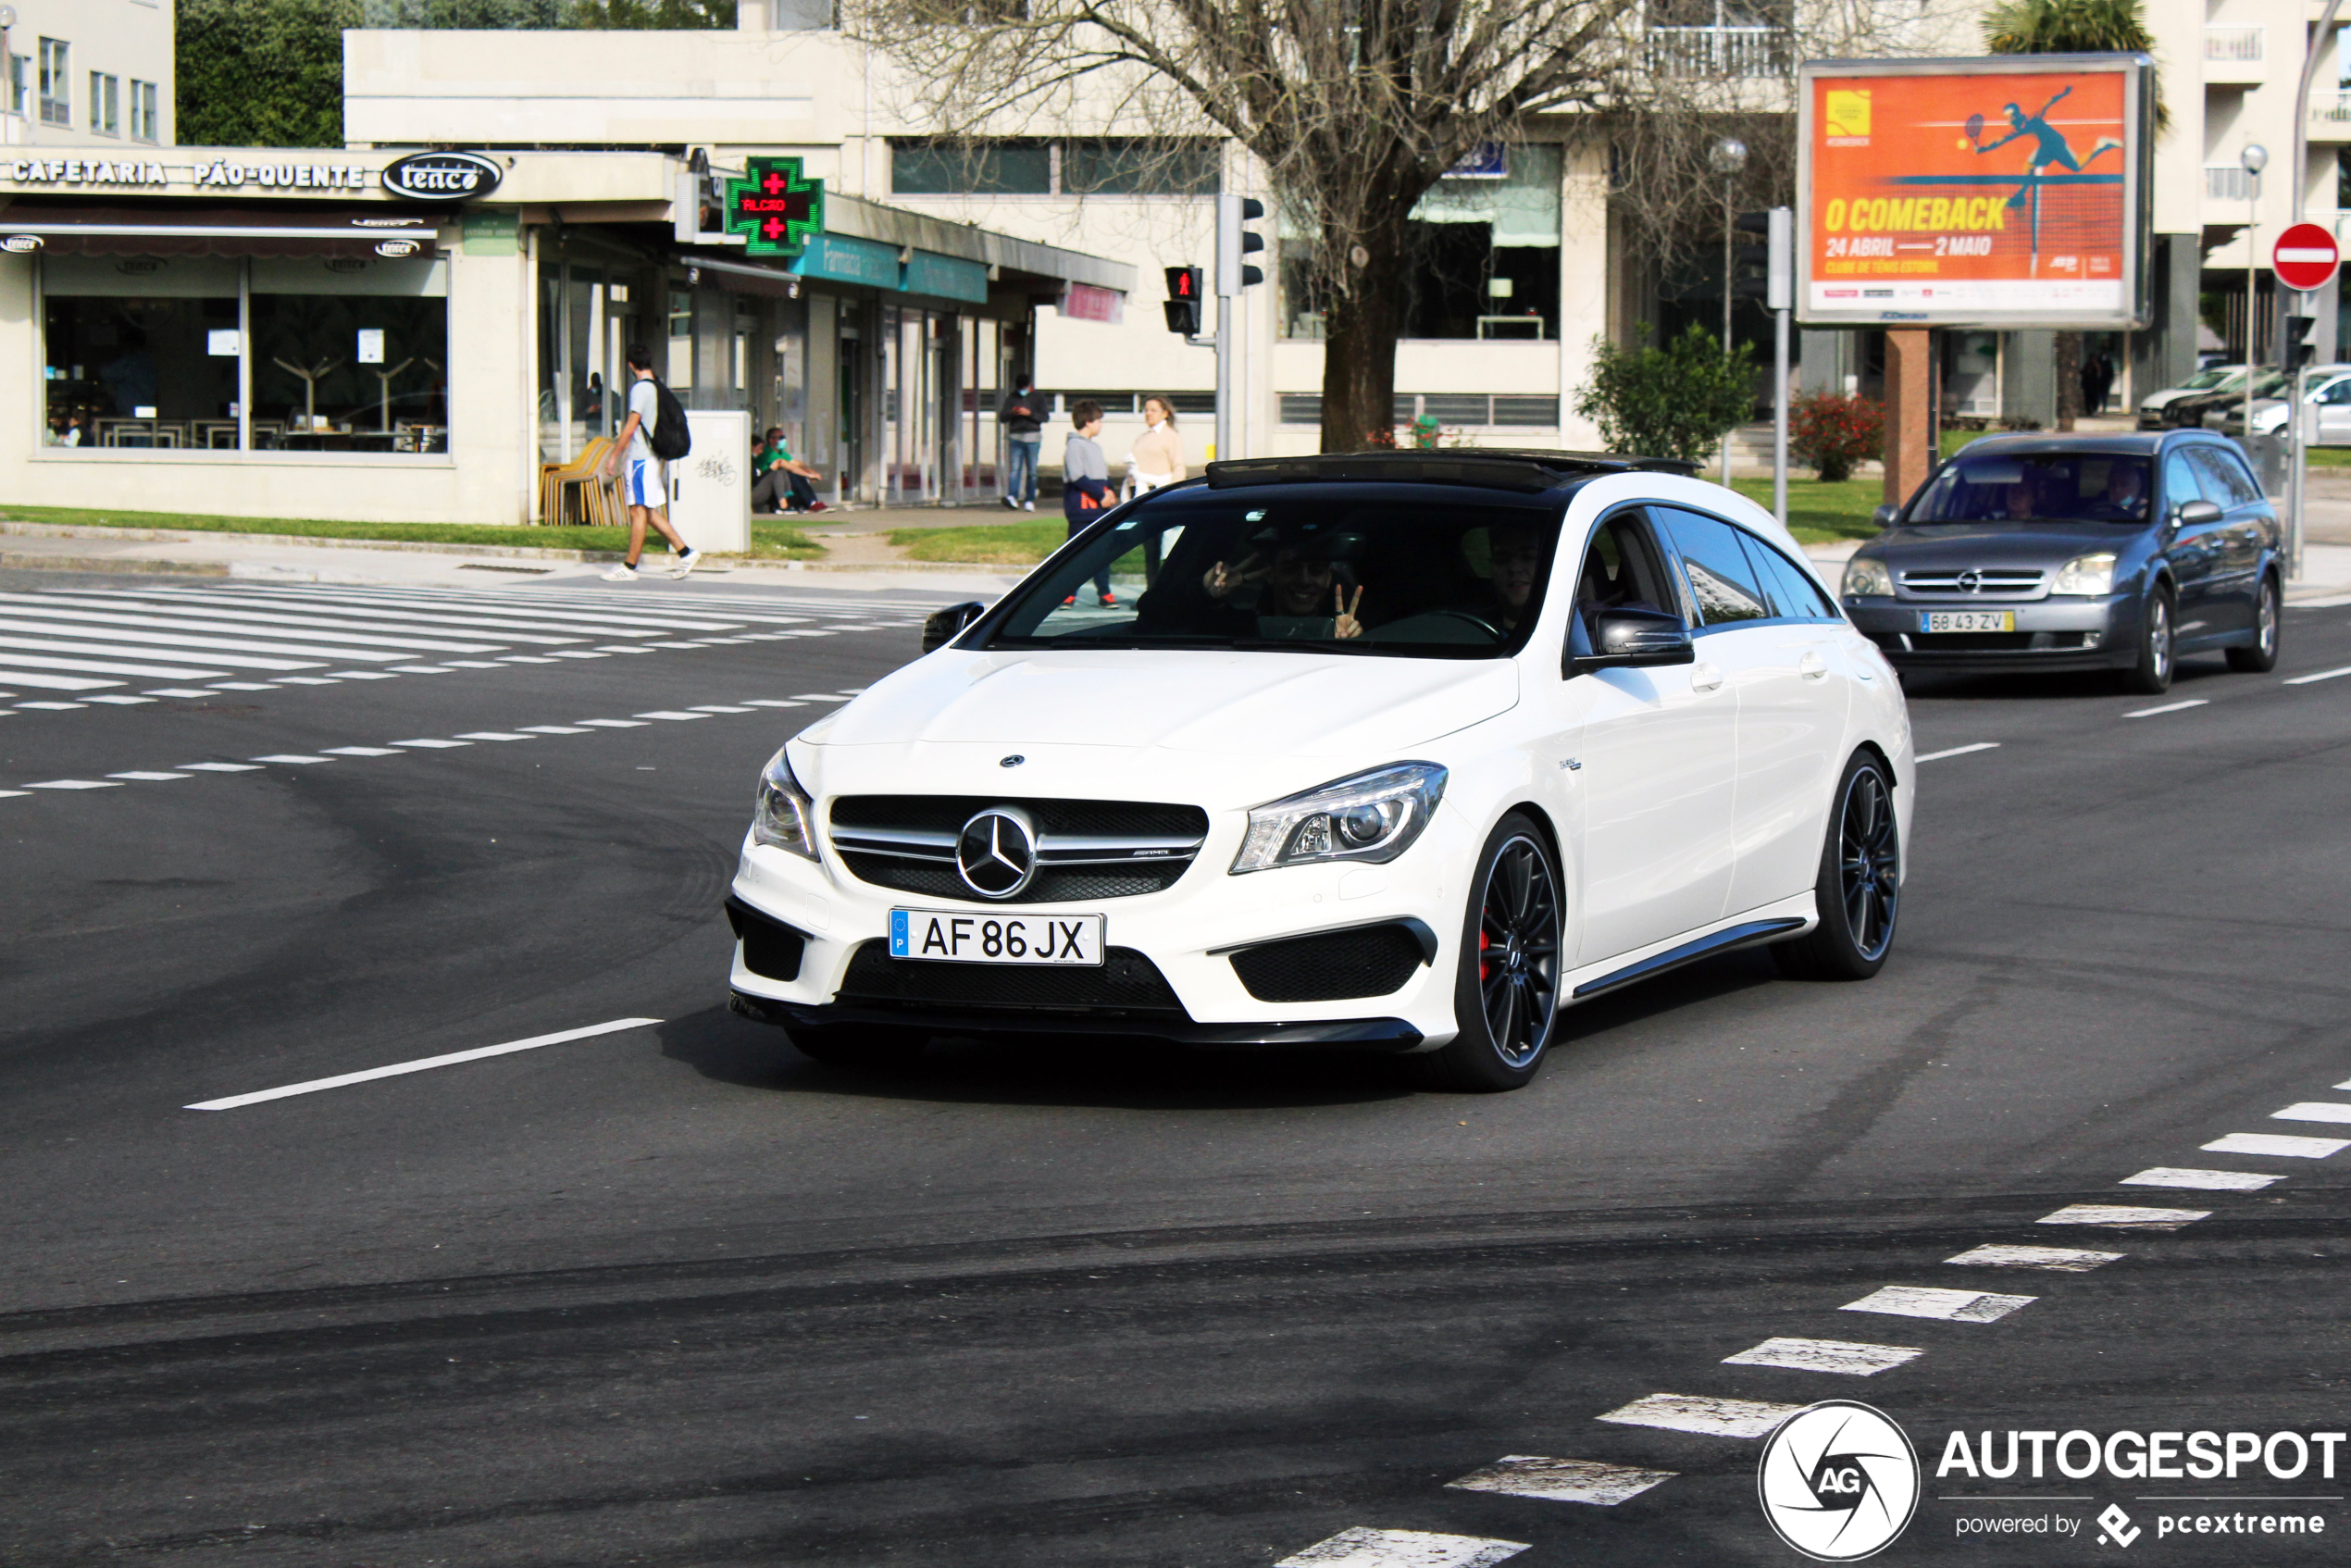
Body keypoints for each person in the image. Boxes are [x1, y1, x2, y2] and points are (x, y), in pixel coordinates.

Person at [597, 343, 702, 582]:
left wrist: (615, 455)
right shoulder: (657, 386)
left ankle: (629, 566)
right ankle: (686, 553)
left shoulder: (640, 389)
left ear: (630, 365)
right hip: (652, 457)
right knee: (649, 511)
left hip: (641, 457)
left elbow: (631, 425)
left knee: (637, 511)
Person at [1062, 400, 1115, 606]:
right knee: (1076, 553)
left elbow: (1104, 475)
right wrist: (1100, 495)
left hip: (1098, 511)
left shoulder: (1096, 447)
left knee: (1102, 552)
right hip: (1081, 511)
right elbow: (1077, 476)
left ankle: (1104, 592)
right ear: (1088, 421)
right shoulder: (1074, 446)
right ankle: (1068, 593)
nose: (1100, 425)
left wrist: (1109, 491)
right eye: (1098, 420)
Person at [1122, 396, 1186, 501]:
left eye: (1153, 410)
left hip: (1158, 493)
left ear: (1165, 413)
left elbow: (1178, 467)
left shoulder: (1171, 436)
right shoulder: (1141, 437)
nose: (1148, 413)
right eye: (1146, 410)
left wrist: (1174, 494)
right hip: (1136, 491)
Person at [751, 426, 826, 514]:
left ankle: (812, 502)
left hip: (780, 483)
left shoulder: (781, 452)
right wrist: (808, 475)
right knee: (792, 474)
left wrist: (812, 472)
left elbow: (797, 464)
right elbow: (784, 464)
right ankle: (809, 503)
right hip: (771, 485)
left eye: (784, 437)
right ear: (771, 440)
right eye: (781, 438)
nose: (783, 440)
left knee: (795, 474)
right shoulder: (768, 452)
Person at [1000, 374, 1044, 511]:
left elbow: (1044, 417)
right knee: (1014, 469)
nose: (1022, 390)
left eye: (1024, 387)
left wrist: (1029, 413)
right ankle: (1012, 496)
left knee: (1032, 471)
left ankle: (1029, 499)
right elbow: (1002, 417)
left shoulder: (1038, 397)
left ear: (1029, 386)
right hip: (1016, 436)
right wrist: (1013, 412)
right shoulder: (1012, 398)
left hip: (1033, 437)